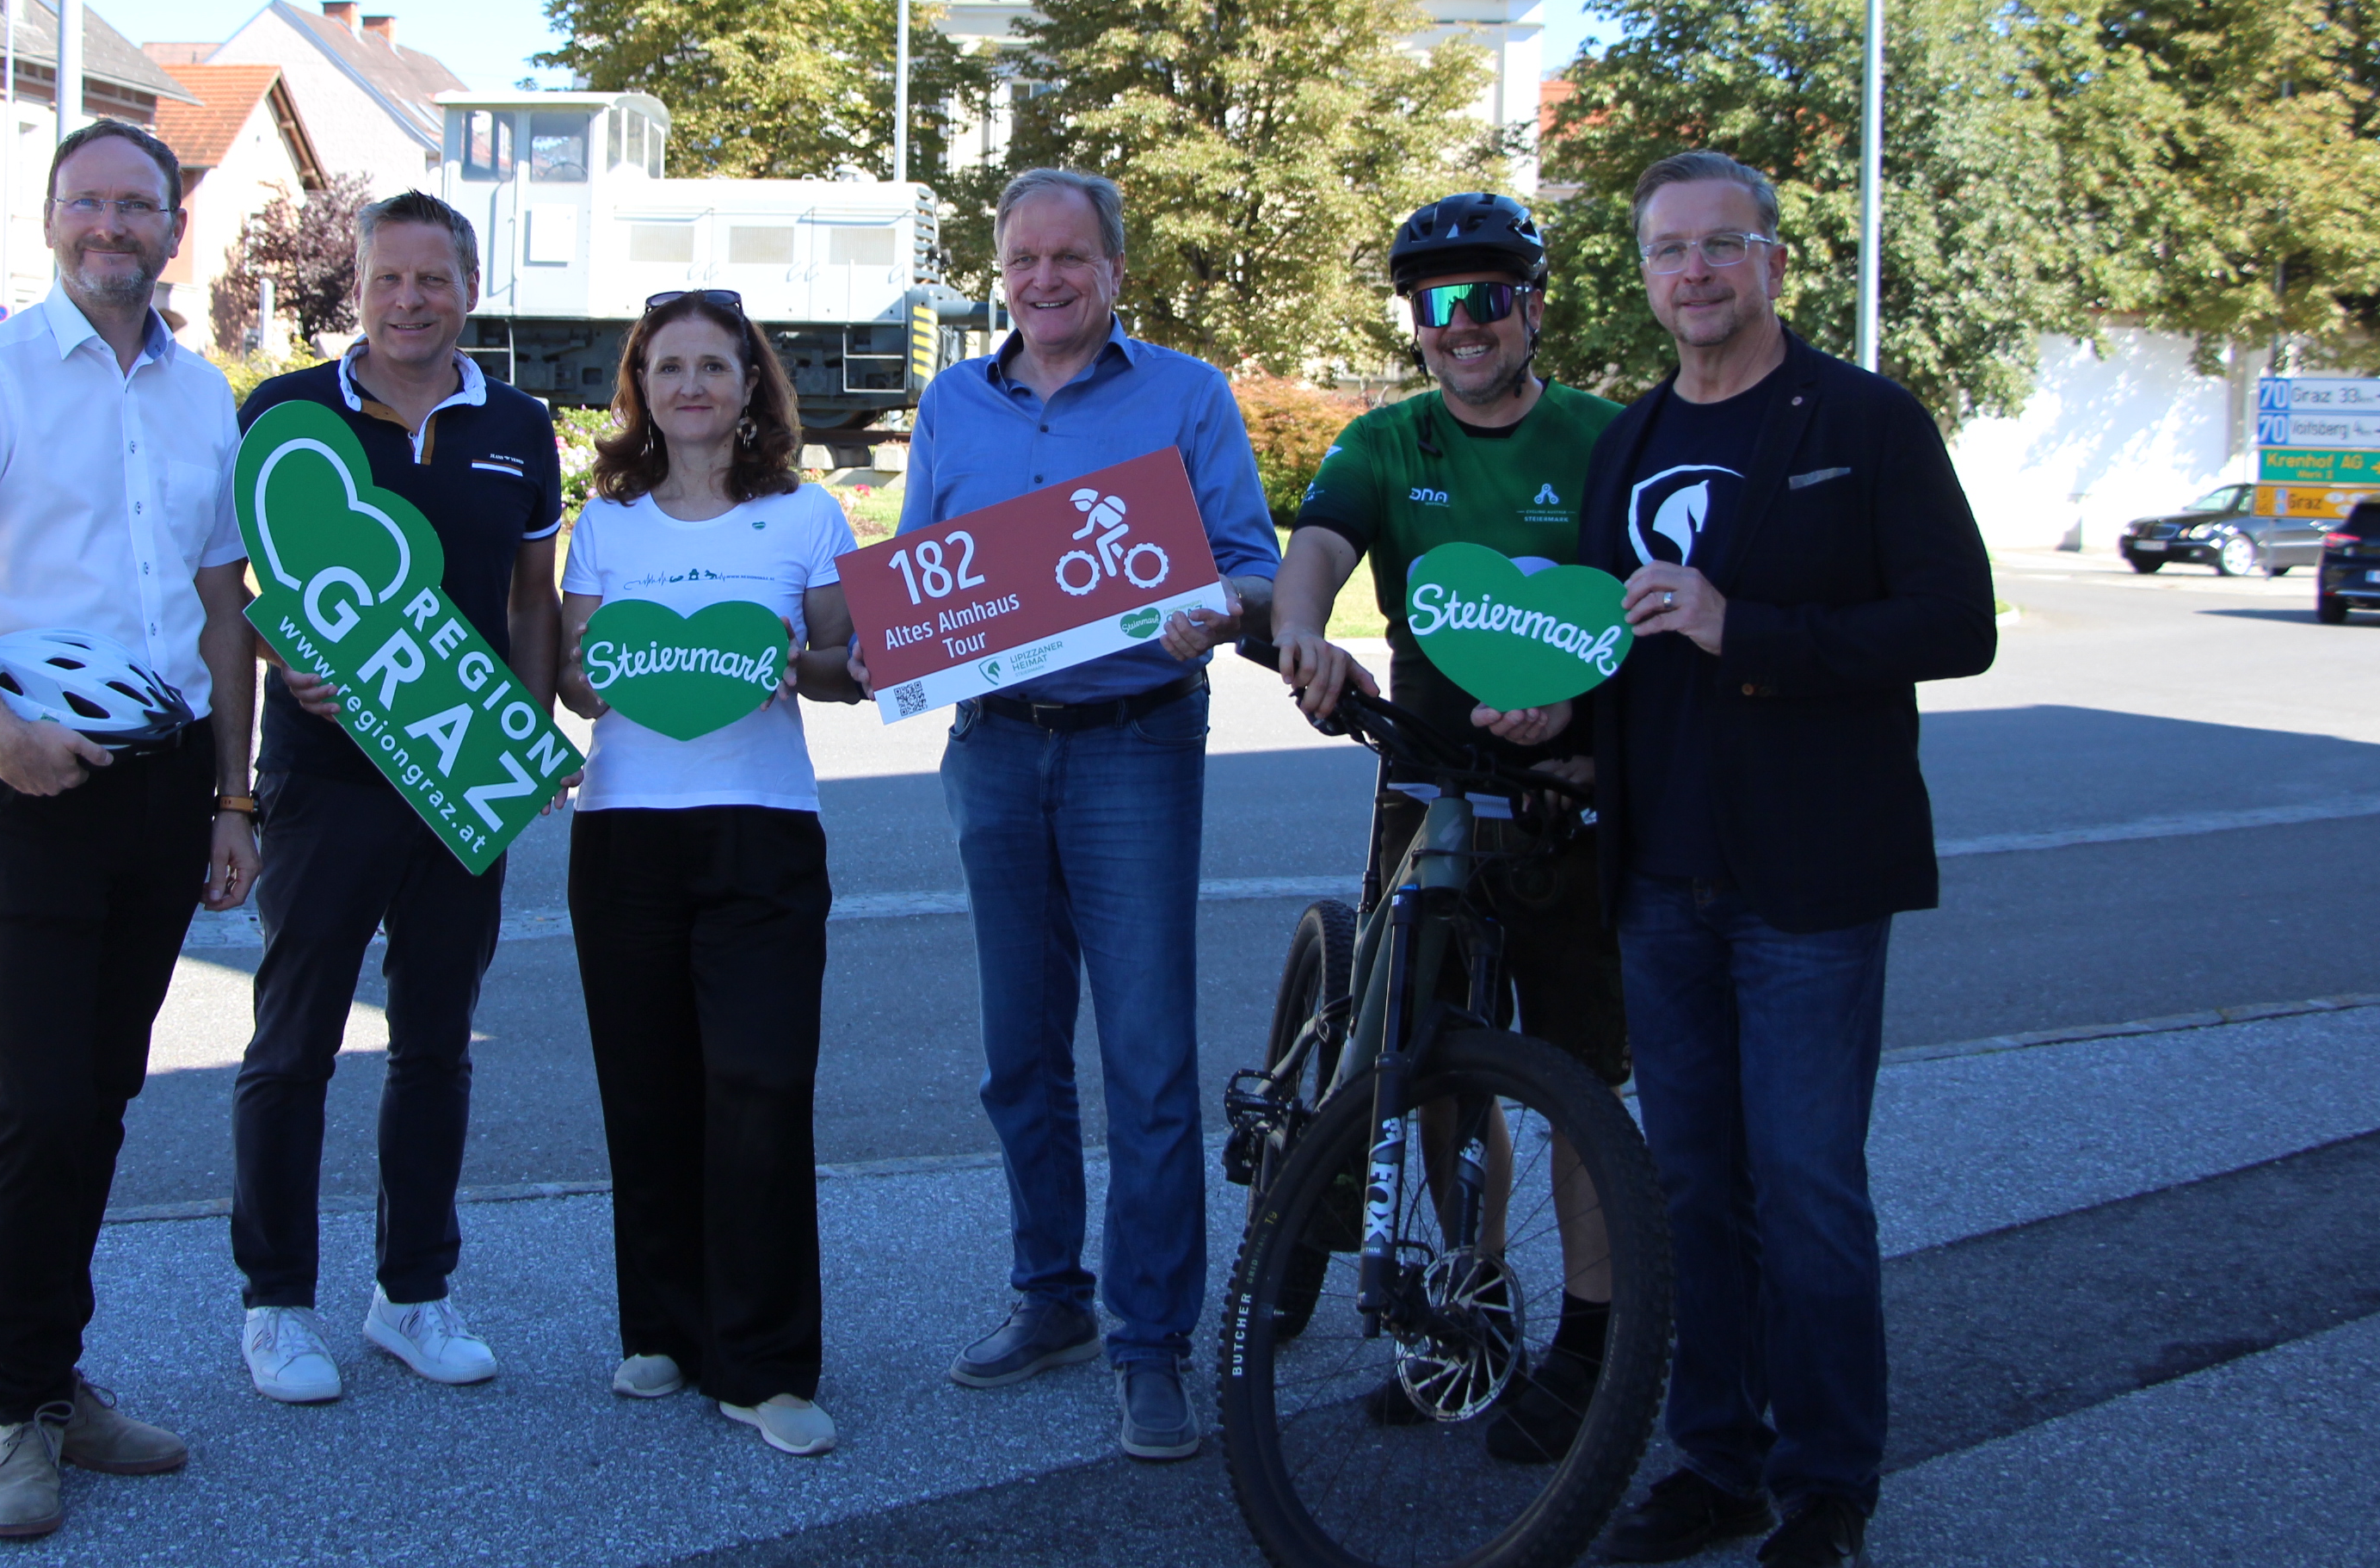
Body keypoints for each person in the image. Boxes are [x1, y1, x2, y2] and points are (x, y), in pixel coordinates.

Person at [1579, 152, 1995, 1568]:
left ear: (1771, 260)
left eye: (1721, 245)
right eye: (1668, 250)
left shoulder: (1865, 420)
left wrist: (1738, 627)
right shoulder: (1629, 439)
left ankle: (1827, 1485)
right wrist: (1548, 709)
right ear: (1646, 275)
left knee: (1808, 1189)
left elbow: (1956, 625)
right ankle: (1717, 1460)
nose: (1693, 271)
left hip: (1809, 878)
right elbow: (1612, 641)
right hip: (1658, 875)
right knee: (1693, 1188)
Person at [0, 117, 259, 1540]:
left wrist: (233, 798)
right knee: (39, 1100)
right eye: (86, 202)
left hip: (166, 786)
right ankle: (21, 1410)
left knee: (101, 1092)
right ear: (50, 220)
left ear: (171, 231)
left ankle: (61, 1379)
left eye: (136, 206)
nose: (111, 226)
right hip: (33, 785)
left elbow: (223, 612)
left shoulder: (203, 396)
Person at [883, 167, 1279, 1464]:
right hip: (995, 749)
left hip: (1134, 745)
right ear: (1000, 270)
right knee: (1018, 1053)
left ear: (1114, 271)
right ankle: (1050, 1295)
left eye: (1069, 258)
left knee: (1149, 1059)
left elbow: (1255, 564)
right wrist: (878, 638)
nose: (1043, 279)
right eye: (1023, 259)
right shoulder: (951, 401)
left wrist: (1216, 607)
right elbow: (921, 581)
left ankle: (1151, 1340)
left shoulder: (1187, 395)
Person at [1267, 190, 1630, 1462]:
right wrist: (1302, 632)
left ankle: (1588, 1347)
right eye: (1435, 303)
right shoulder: (1387, 440)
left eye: (1486, 297)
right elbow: (1318, 551)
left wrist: (1582, 719)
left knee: (1580, 1083)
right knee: (1432, 1071)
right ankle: (1471, 1312)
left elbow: (1647, 602)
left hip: (1568, 783)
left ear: (1532, 306)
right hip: (1427, 778)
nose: (1461, 324)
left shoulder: (1606, 438)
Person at [227, 190, 565, 1404]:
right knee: (294, 1045)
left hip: (462, 775)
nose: (410, 301)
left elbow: (531, 600)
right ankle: (277, 1306)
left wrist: (528, 741)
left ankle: (412, 1293)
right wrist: (283, 660)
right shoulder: (286, 413)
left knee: (435, 1044)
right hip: (324, 782)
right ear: (357, 287)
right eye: (389, 278)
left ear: (469, 288)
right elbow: (236, 587)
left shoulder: (519, 426)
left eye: (434, 279)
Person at [555, 290, 862, 1457]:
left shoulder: (805, 516)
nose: (691, 386)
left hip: (763, 829)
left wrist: (793, 659)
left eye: (714, 367)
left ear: (749, 387)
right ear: (641, 387)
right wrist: (600, 673)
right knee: (648, 1089)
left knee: (762, 1086)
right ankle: (665, 1330)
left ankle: (767, 1365)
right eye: (668, 366)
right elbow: (576, 679)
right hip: (625, 830)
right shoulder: (607, 525)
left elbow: (845, 663)